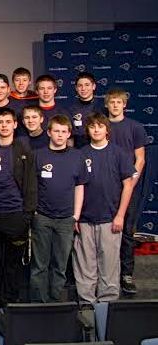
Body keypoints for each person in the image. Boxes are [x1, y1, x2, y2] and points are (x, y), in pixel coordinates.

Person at [0, 107, 37, 310]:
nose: (4, 126)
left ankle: (10, 299)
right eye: (0, 122)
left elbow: (30, 184)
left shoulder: (23, 151)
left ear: (14, 124)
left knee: (13, 263)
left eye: (7, 122)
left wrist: (27, 214)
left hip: (15, 214)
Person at [75, 113, 135, 303]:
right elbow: (76, 187)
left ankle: (106, 309)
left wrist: (120, 216)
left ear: (107, 130)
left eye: (100, 126)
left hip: (110, 218)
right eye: (92, 127)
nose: (96, 130)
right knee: (85, 269)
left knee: (109, 268)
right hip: (85, 219)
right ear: (88, 130)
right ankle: (87, 307)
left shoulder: (118, 153)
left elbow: (128, 185)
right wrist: (75, 217)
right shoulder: (82, 154)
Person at [30, 115, 88, 303]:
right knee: (39, 265)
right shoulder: (38, 155)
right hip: (43, 217)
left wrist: (76, 215)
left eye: (64, 131)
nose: (60, 135)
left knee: (60, 264)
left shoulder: (77, 156)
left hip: (66, 218)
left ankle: (55, 303)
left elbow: (80, 186)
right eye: (56, 131)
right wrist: (35, 212)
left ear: (69, 134)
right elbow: (32, 186)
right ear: (49, 132)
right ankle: (39, 303)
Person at [104, 88, 148, 295]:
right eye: (111, 102)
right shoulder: (100, 126)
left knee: (127, 231)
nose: (115, 106)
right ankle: (107, 274)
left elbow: (140, 157)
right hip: (104, 187)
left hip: (127, 186)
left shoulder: (135, 127)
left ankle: (126, 274)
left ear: (124, 105)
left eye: (118, 102)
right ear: (107, 105)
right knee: (105, 230)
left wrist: (132, 179)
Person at [67, 72, 104, 147]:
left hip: (99, 150)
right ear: (76, 88)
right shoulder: (71, 110)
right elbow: (70, 138)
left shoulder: (103, 108)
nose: (83, 88)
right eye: (80, 86)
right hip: (78, 152)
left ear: (94, 86)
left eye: (87, 85)